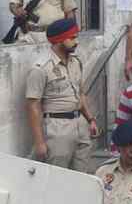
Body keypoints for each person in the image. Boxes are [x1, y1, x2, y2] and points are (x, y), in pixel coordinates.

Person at [26, 18, 98, 172]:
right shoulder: (40, 68)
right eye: (72, 38)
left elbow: (80, 93)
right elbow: (33, 106)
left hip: (80, 124)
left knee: (82, 175)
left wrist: (90, 119)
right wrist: (39, 142)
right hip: (57, 128)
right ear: (59, 40)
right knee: (59, 176)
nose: (76, 41)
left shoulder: (76, 62)